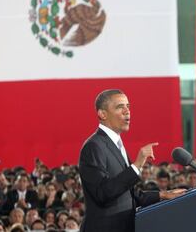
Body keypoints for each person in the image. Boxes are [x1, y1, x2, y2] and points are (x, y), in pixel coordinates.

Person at [78, 89, 185, 232]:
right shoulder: (94, 146)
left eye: (128, 106)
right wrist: (136, 165)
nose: (127, 111)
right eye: (119, 107)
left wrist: (162, 195)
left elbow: (128, 194)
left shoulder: (116, 144)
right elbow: (103, 193)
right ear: (102, 114)